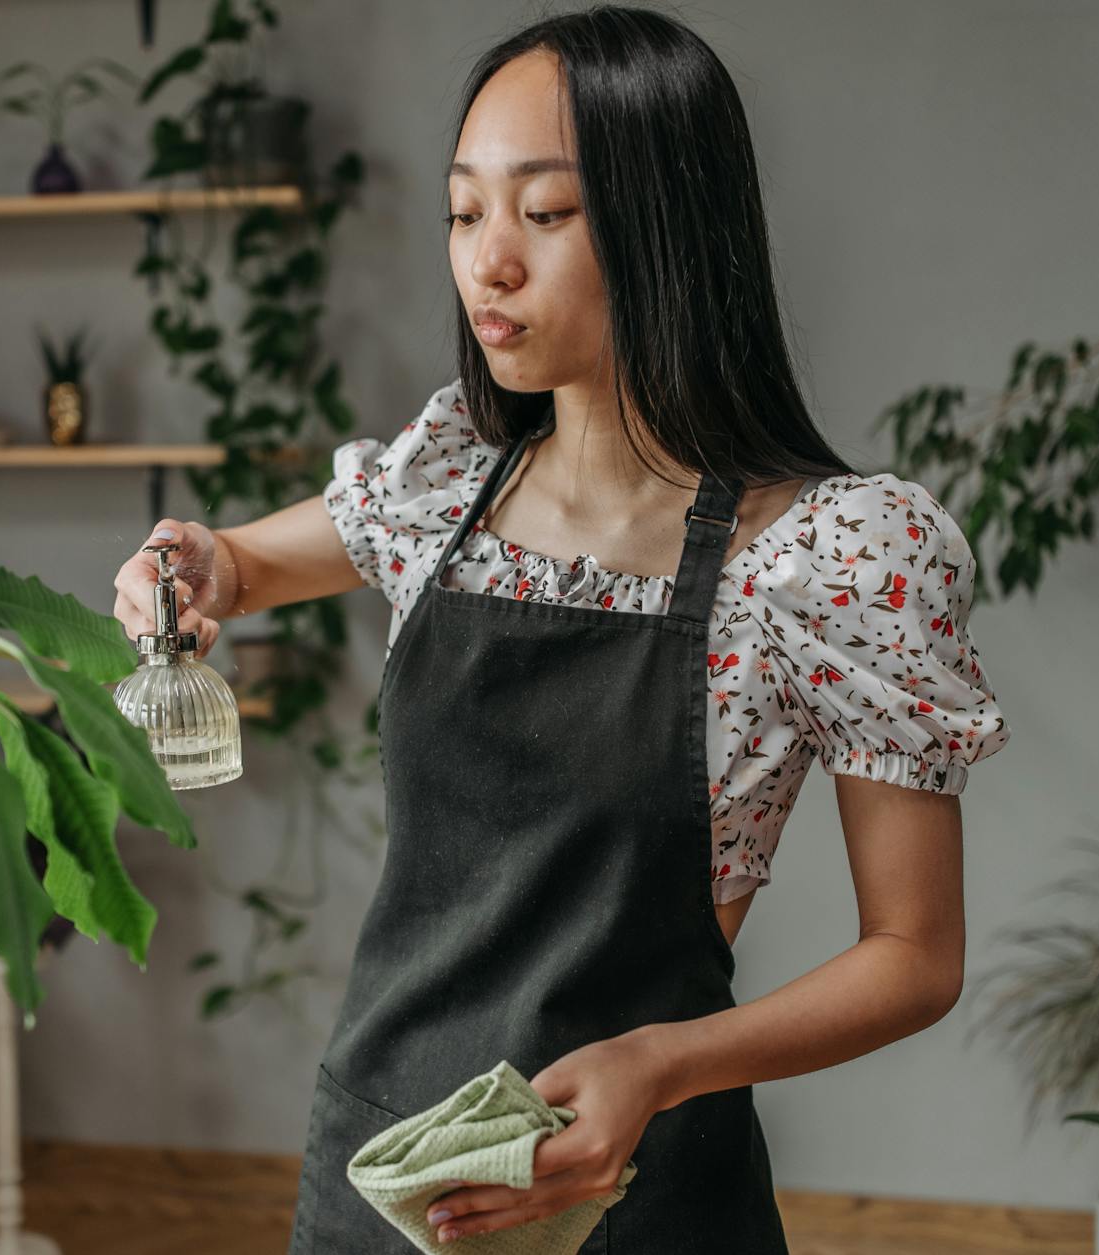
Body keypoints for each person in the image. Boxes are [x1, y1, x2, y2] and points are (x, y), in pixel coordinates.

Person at [112, 6, 1010, 1249]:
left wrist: (660, 1063)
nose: (489, 261)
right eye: (463, 212)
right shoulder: (449, 485)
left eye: (542, 214)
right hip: (390, 1168)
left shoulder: (828, 557)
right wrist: (193, 563)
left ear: (666, 227)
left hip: (634, 1188)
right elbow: (247, 567)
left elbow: (914, 953)